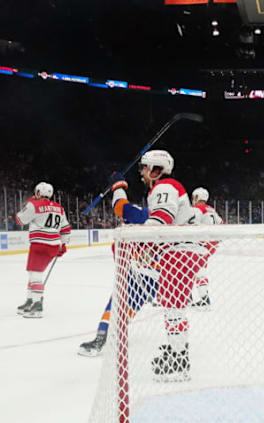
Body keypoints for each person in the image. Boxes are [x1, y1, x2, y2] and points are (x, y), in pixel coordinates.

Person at [80, 150, 205, 382]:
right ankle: (176, 352)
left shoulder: (165, 187)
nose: (142, 173)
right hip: (178, 253)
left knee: (173, 308)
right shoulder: (162, 191)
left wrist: (118, 188)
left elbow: (158, 223)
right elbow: (137, 216)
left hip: (178, 253)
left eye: (145, 168)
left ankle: (179, 360)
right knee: (172, 307)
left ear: (156, 169)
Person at [15, 182, 70, 318]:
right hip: (53, 245)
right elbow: (65, 229)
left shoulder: (34, 204)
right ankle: (30, 300)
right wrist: (62, 245)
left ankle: (37, 304)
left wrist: (29, 203)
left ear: (38, 192)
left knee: (35, 274)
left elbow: (19, 220)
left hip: (39, 244)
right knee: (34, 274)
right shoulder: (59, 208)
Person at [190, 187, 223, 308]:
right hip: (211, 243)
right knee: (194, 268)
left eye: (194, 197)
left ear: (198, 197)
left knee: (196, 270)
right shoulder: (211, 210)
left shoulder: (197, 209)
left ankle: (204, 299)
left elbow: (190, 223)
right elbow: (222, 224)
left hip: (201, 243)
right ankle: (192, 296)